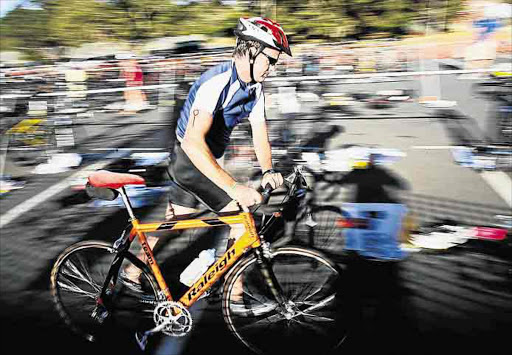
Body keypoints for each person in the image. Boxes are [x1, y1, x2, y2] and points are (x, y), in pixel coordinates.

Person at [120, 17, 292, 289]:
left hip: (202, 159)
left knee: (176, 219)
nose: (273, 67)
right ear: (250, 51)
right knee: (241, 220)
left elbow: (260, 133)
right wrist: (234, 187)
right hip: (190, 160)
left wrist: (268, 169)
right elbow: (192, 144)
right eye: (270, 60)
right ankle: (234, 296)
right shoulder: (217, 82)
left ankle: (131, 270)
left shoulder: (255, 90)